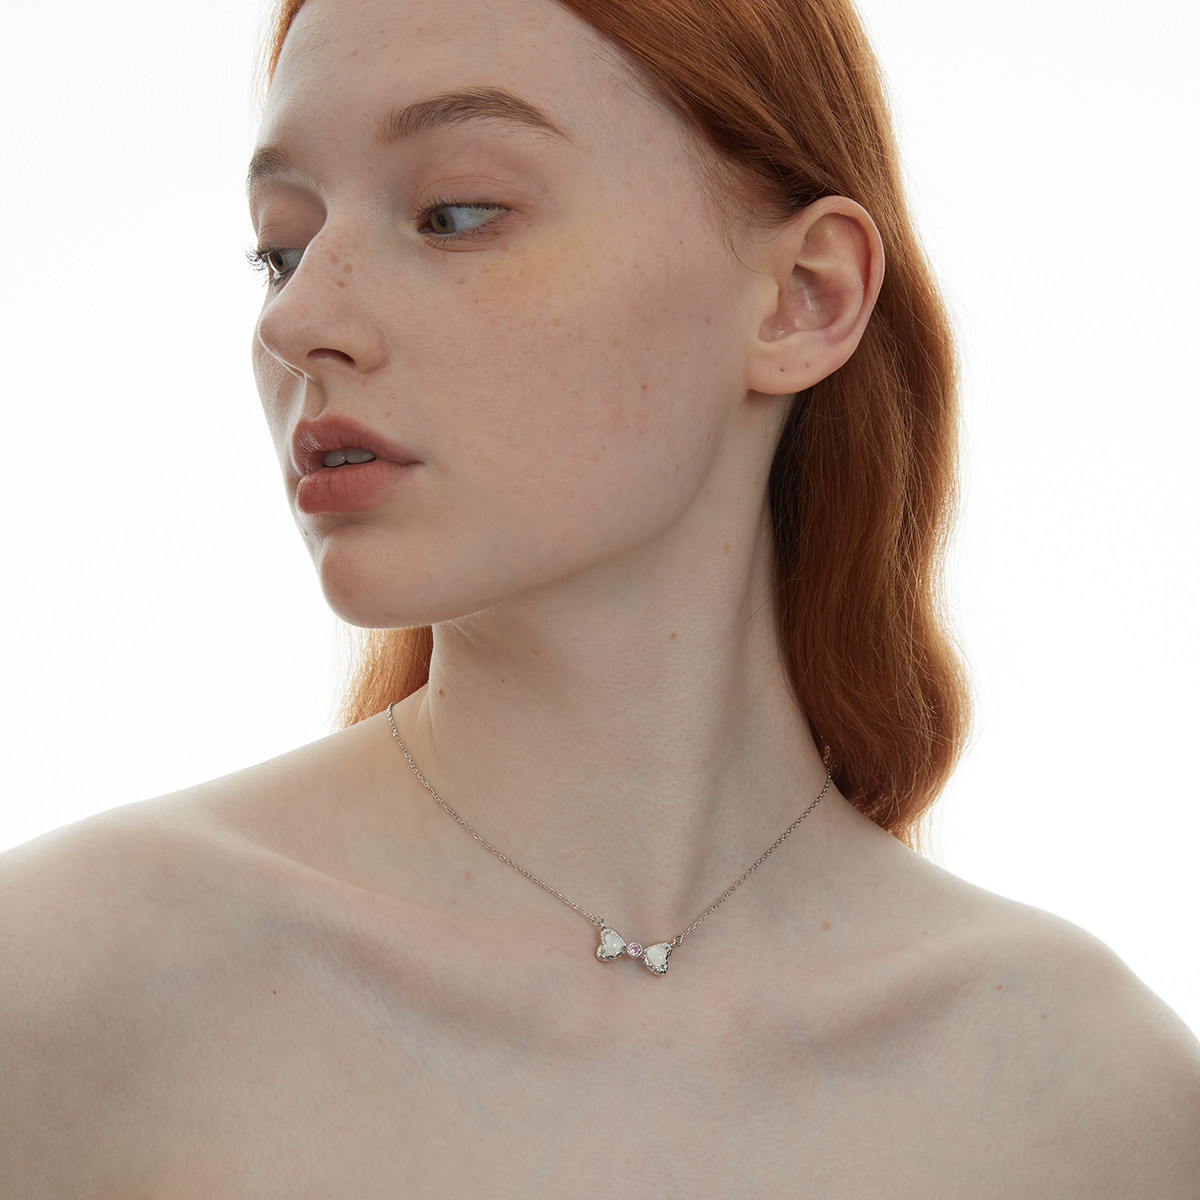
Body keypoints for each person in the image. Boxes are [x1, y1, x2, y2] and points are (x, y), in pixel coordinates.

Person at [2, 0, 1197, 1193]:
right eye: (282, 246)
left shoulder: (1099, 1106)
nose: (297, 318)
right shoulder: (70, 991)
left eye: (455, 213)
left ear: (806, 296)